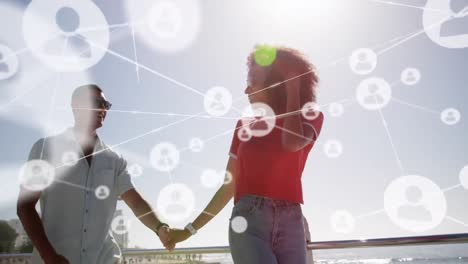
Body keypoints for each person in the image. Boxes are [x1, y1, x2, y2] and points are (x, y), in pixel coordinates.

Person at [167, 46, 324, 264]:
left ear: (274, 83)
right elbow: (228, 186)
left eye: (252, 82)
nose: (246, 90)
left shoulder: (309, 117)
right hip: (248, 220)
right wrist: (188, 230)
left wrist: (293, 89)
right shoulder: (244, 125)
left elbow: (291, 143)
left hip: (292, 220)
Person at [17, 84, 173, 264]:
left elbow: (136, 202)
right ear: (75, 105)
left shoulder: (114, 159)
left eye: (106, 104)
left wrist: (160, 227)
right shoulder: (46, 149)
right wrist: (49, 256)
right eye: (97, 102)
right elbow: (25, 206)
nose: (102, 108)